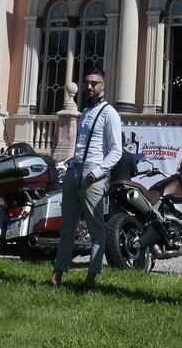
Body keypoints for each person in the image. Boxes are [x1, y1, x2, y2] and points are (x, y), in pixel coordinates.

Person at [48, 67, 122, 290]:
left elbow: (116, 151)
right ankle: (57, 274)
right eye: (87, 83)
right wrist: (69, 165)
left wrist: (98, 172)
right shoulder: (86, 112)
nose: (89, 87)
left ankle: (91, 277)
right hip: (75, 170)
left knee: (96, 229)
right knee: (67, 227)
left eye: (93, 83)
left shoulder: (109, 113)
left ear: (103, 86)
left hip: (92, 173)